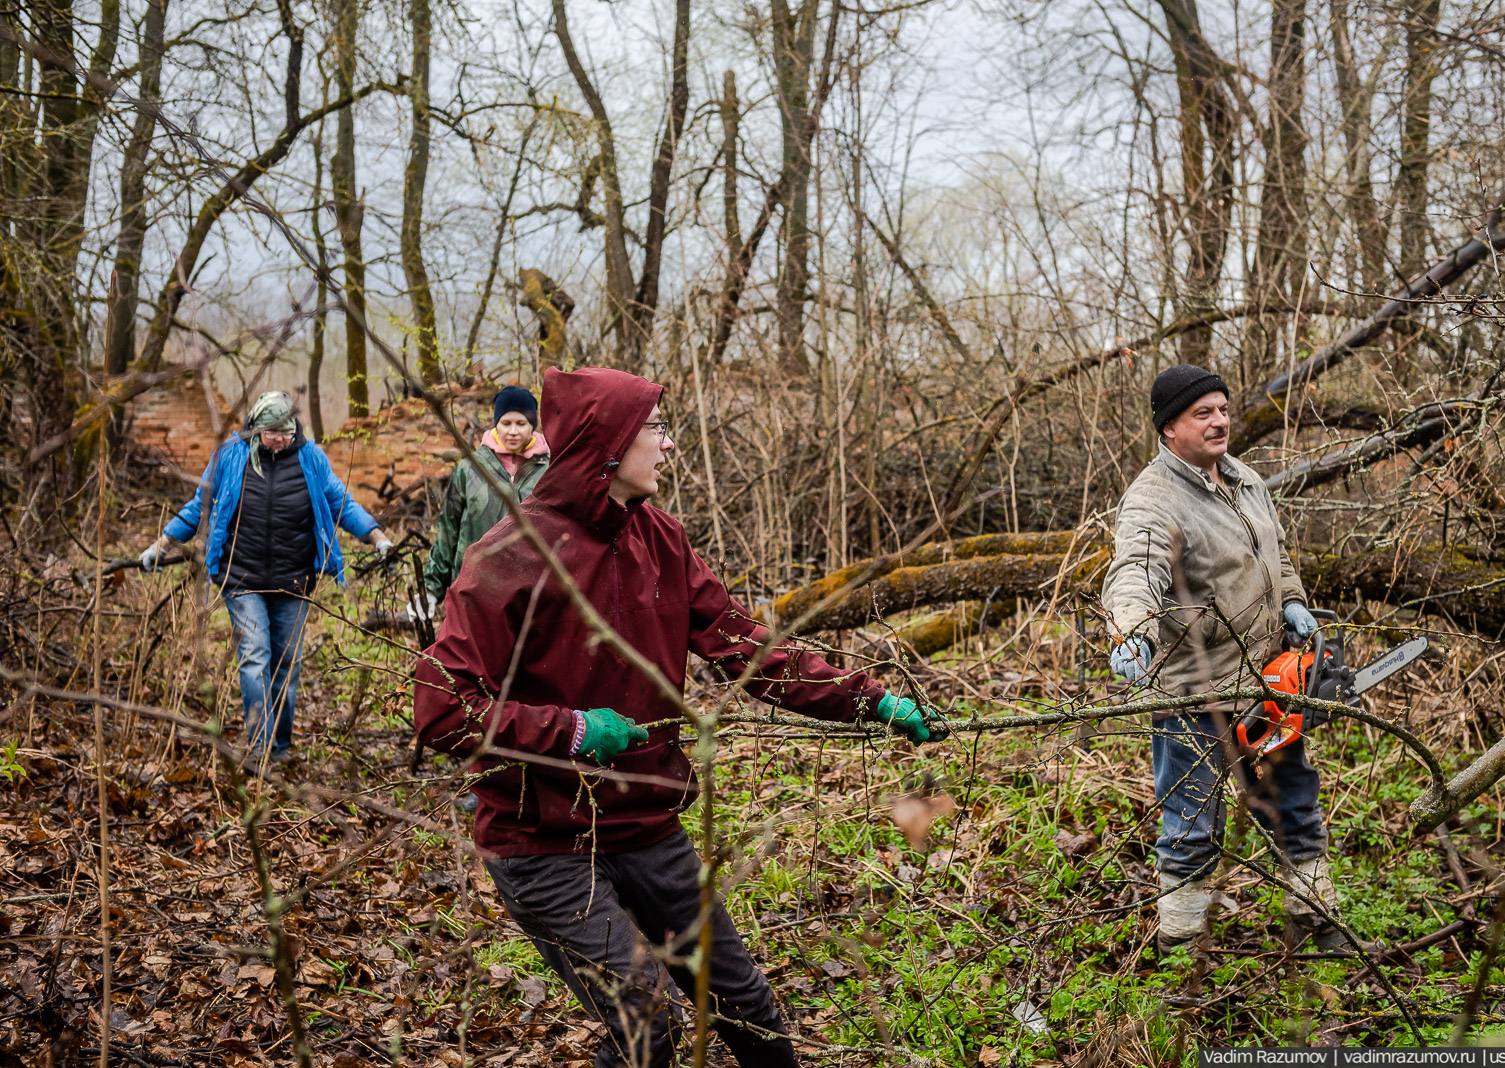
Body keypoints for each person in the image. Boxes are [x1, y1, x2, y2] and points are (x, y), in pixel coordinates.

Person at [414, 367, 947, 1067]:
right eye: (655, 431)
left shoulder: (658, 539)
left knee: (746, 1008)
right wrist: (571, 731)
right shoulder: (507, 559)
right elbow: (442, 711)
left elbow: (747, 650)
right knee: (649, 1021)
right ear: (607, 445)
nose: (667, 446)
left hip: (646, 822)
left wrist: (870, 700)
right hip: (541, 839)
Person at [1100, 363, 1354, 957]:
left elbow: (1277, 555)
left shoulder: (1244, 479)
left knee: (1294, 799)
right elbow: (1134, 571)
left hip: (1267, 681)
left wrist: (1292, 602)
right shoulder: (1153, 500)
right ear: (1169, 429)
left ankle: (1316, 920)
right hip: (1198, 693)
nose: (1219, 422)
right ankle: (1180, 946)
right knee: (1192, 825)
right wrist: (1131, 632)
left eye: (1221, 408)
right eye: (1202, 414)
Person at [140, 391, 390, 765]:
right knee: (255, 657)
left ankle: (281, 746)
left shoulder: (310, 458)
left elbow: (341, 502)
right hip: (241, 578)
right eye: (272, 433)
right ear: (255, 428)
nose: (280, 439)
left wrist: (376, 536)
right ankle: (258, 748)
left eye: (286, 432)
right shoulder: (230, 456)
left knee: (286, 664)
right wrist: (162, 544)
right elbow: (199, 505)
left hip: (294, 580)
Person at [416, 385, 550, 619]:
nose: (513, 431)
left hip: (532, 593)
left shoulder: (549, 471)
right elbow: (448, 531)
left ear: (533, 425)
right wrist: (431, 589)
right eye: (506, 423)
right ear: (496, 423)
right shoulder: (470, 468)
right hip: (474, 588)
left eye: (521, 424)